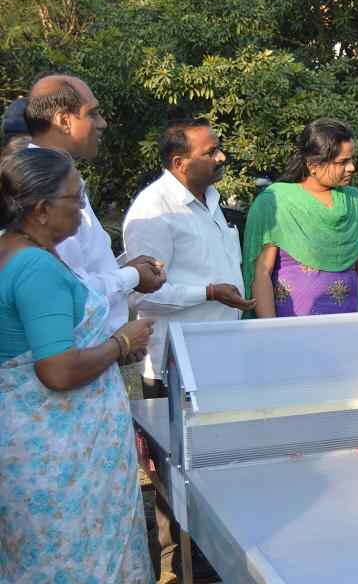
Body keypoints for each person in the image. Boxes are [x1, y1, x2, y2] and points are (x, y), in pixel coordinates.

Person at [0, 147, 154, 582]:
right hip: (60, 462)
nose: (83, 207)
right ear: (42, 209)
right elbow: (58, 370)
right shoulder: (34, 267)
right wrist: (122, 343)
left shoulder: (16, 251)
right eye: (76, 197)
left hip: (43, 452)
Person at [123, 117, 255, 581]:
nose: (221, 157)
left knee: (219, 468)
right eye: (211, 151)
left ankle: (220, 558)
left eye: (220, 148)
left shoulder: (214, 199)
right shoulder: (153, 210)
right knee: (175, 479)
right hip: (175, 365)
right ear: (180, 163)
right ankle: (177, 566)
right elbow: (141, 293)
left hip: (223, 357)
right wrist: (210, 292)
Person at [25, 74, 165, 335]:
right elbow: (67, 287)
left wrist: (126, 271)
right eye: (93, 114)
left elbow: (81, 269)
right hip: (70, 360)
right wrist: (132, 276)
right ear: (64, 120)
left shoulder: (59, 176)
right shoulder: (42, 185)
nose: (103, 123)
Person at [242, 118, 358, 317]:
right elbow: (262, 273)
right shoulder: (277, 201)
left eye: (351, 160)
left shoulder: (353, 201)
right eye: (342, 162)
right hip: (293, 327)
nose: (351, 168)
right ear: (313, 164)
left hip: (348, 323)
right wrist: (269, 331)